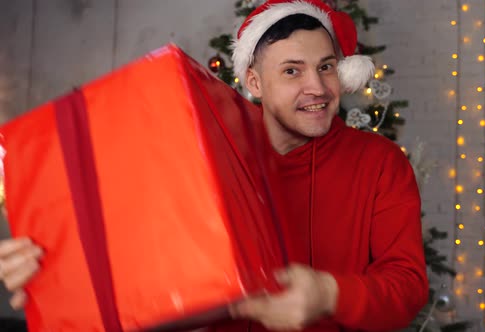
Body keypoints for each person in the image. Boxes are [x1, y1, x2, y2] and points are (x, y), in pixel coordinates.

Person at [0, 0, 428, 331]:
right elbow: (141, 263)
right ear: (255, 82)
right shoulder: (206, 153)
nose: (316, 87)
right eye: (292, 71)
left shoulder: (380, 163)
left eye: (327, 67)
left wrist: (329, 293)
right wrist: (52, 273)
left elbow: (407, 288)